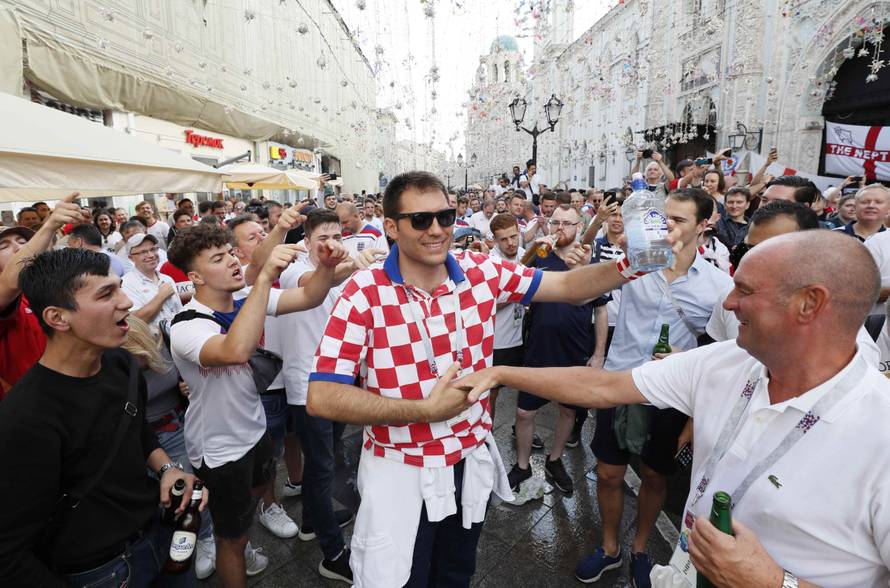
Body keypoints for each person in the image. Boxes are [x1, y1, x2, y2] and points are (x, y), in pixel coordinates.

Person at [306, 171, 680, 587]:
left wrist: (631, 265)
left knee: (456, 575)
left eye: (445, 217)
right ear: (391, 227)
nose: (437, 230)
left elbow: (570, 286)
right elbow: (322, 397)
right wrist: (422, 410)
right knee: (397, 580)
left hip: (468, 459)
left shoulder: (480, 270)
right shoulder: (364, 292)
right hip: (400, 467)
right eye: (421, 220)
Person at [458, 229, 890, 588]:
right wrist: (500, 376)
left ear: (809, 304)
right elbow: (604, 386)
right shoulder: (725, 361)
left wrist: (777, 584)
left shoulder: (879, 431)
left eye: (745, 289)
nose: (727, 303)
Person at [0, 248, 207, 586]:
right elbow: (8, 552)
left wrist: (167, 470)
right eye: (106, 293)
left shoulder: (121, 363)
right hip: (99, 572)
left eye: (120, 286)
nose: (126, 301)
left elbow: (138, 431)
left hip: (160, 535)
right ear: (57, 317)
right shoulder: (24, 418)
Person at [168, 222, 346, 586]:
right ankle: (224, 545)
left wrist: (326, 265)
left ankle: (247, 525)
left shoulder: (245, 298)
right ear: (195, 277)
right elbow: (236, 351)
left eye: (232, 253)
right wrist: (263, 279)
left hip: (253, 428)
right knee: (231, 539)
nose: (234, 261)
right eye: (219, 258)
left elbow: (310, 296)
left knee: (248, 505)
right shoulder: (186, 324)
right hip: (219, 448)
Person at [577, 188, 733, 586]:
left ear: (703, 225)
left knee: (654, 475)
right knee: (609, 473)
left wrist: (686, 354)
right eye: (663, 218)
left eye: (679, 221)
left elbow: (721, 349)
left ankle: (641, 549)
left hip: (669, 394)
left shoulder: (717, 286)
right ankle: (610, 548)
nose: (668, 227)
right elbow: (587, 288)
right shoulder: (637, 264)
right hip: (618, 381)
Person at [278, 209, 358, 583]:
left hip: (339, 377)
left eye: (336, 236)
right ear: (307, 241)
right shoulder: (296, 271)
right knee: (324, 466)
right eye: (322, 238)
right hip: (307, 385)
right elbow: (316, 281)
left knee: (324, 459)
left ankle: (312, 519)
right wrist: (354, 262)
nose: (330, 244)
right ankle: (333, 552)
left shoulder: (341, 268)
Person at [508, 204, 601, 495]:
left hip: (575, 348)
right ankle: (522, 466)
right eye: (556, 222)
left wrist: (598, 353)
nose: (561, 228)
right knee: (524, 413)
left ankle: (555, 459)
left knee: (568, 411)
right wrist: (532, 250)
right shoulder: (541, 255)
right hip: (540, 346)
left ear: (579, 227)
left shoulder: (587, 260)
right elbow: (515, 279)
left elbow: (602, 310)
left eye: (568, 223)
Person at [122, 315, 217, 579]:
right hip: (141, 435)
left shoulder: (166, 341)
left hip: (175, 425)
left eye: (140, 362)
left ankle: (206, 537)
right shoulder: (115, 363)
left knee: (189, 491)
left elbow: (192, 373)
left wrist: (185, 385)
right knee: (160, 496)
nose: (137, 368)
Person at [0, 193, 82, 396]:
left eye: (22, 241)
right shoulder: (7, 297)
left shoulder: (49, 291)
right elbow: (10, 281)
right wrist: (50, 224)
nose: (19, 247)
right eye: (4, 246)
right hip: (30, 410)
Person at [487, 213, 526, 420]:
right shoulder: (489, 263)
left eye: (513, 236)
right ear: (494, 240)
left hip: (521, 334)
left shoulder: (525, 254)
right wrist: (518, 291)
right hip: (497, 341)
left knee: (524, 387)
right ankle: (487, 437)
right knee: (491, 392)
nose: (510, 243)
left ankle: (518, 427)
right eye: (503, 239)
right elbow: (487, 304)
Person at [122, 233, 182, 332]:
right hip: (151, 346)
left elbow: (179, 311)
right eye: (143, 252)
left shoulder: (167, 279)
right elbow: (135, 322)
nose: (151, 255)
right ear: (131, 258)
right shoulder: (125, 284)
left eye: (153, 249)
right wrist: (161, 296)